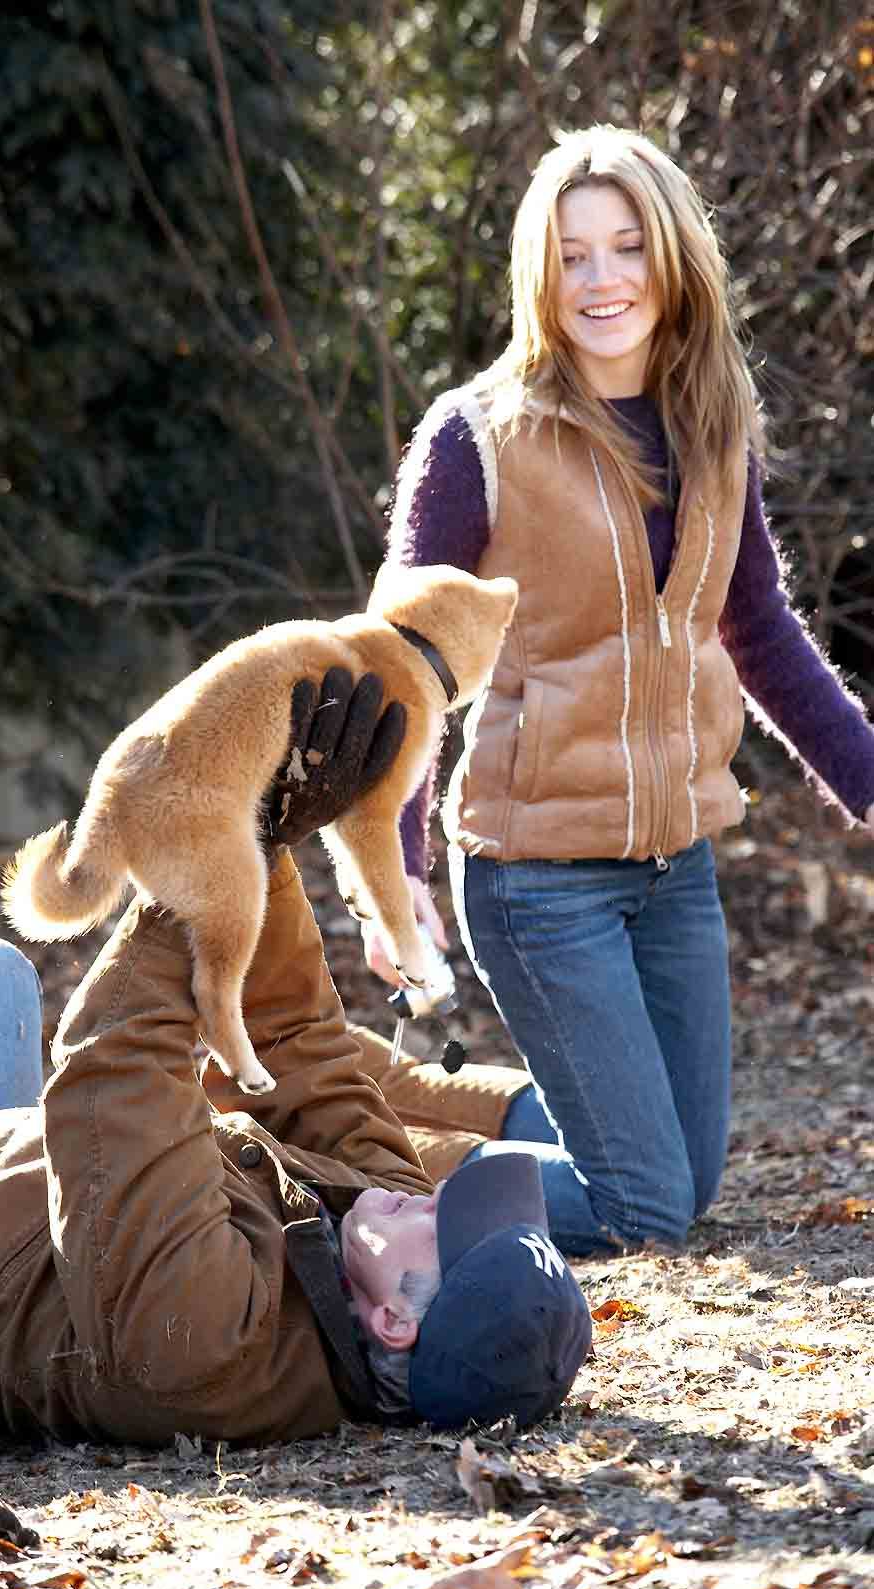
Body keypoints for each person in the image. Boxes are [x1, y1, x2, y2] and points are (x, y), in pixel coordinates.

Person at [0, 671, 591, 1450]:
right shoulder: (379, 1218)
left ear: (396, 1322)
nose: (433, 1193)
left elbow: (113, 1076)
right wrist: (257, 825)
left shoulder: (207, 1352)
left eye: (445, 1223)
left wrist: (202, 861)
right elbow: (294, 1042)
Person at [362, 123, 874, 1259]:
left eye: (624, 246)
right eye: (571, 254)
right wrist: (392, 873)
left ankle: (462, 1112)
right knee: (640, 1207)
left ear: (671, 258)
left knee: (682, 1185)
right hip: (535, 875)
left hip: (673, 865)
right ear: (537, 275)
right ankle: (370, 1182)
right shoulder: (477, 440)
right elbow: (404, 667)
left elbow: (759, 632)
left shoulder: (712, 428)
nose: (600, 280)